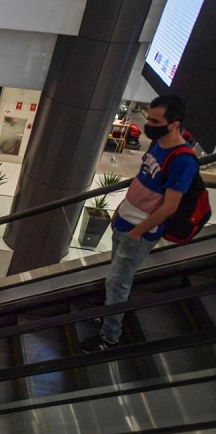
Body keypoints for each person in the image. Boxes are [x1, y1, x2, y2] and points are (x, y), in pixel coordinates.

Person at [81, 94, 197, 352]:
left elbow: (170, 205)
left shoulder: (182, 160)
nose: (149, 124)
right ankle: (108, 316)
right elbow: (141, 179)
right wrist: (120, 209)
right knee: (114, 274)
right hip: (126, 220)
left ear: (174, 124)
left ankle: (110, 337)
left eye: (156, 120)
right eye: (149, 117)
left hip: (141, 230)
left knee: (117, 282)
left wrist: (138, 231)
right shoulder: (158, 145)